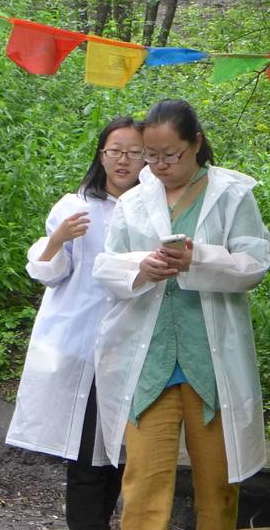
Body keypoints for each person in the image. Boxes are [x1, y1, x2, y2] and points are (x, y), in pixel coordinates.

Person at [93, 99, 270, 530]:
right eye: (150, 155)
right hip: (148, 361)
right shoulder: (134, 201)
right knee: (142, 486)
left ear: (196, 144)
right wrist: (142, 268)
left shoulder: (231, 194)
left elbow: (255, 263)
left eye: (170, 155)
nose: (158, 165)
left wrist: (199, 260)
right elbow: (107, 265)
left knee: (218, 485)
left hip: (211, 362)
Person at [6, 117, 146, 530]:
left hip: (130, 350)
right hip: (80, 348)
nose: (123, 160)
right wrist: (58, 239)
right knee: (86, 460)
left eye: (133, 152)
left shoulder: (151, 211)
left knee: (120, 460)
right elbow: (47, 273)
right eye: (115, 150)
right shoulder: (75, 206)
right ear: (101, 155)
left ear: (147, 159)